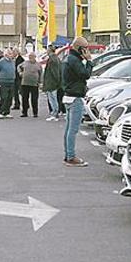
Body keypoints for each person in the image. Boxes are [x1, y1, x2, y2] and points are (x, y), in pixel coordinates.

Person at [62, 37, 92, 167]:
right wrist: (89, 61)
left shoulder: (69, 59)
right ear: (79, 48)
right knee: (73, 129)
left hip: (69, 96)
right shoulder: (74, 60)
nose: (87, 51)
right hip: (75, 97)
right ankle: (71, 157)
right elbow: (85, 74)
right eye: (85, 48)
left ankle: (68, 154)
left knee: (69, 129)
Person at [17, 52, 43, 118]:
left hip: (34, 84)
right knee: (24, 98)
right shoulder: (25, 63)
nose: (30, 58)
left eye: (32, 56)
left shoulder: (38, 64)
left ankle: (35, 113)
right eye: (29, 56)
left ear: (35, 57)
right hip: (25, 83)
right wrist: (20, 72)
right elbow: (18, 67)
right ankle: (24, 112)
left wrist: (40, 82)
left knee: (34, 99)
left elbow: (41, 74)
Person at [0, 49, 16, 119]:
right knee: (4, 97)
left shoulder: (12, 62)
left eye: (11, 54)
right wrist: (0, 79)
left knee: (10, 97)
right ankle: (0, 112)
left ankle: (6, 112)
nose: (11, 55)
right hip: (3, 82)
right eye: (9, 54)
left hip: (11, 81)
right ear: (5, 54)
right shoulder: (1, 62)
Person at [42, 45, 62, 121]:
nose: (46, 51)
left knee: (53, 99)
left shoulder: (52, 59)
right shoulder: (55, 58)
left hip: (52, 82)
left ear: (50, 50)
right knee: (53, 98)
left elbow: (55, 72)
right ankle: (54, 113)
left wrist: (57, 81)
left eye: (47, 49)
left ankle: (54, 113)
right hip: (52, 82)